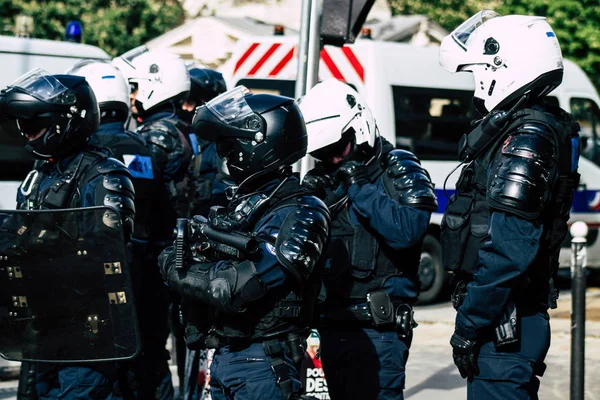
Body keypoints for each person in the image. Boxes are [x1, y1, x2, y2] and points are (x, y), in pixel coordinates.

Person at [438, 10, 581, 399]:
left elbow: (508, 252)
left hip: (505, 325)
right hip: (507, 321)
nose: (476, 85)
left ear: (503, 66)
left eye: (477, 72)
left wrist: (469, 325)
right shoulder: (535, 126)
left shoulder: (528, 136)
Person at [158, 86, 330, 400]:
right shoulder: (244, 206)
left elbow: (234, 287)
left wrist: (181, 273)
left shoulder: (302, 211)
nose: (223, 157)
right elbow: (187, 255)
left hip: (264, 363)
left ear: (259, 144)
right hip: (225, 356)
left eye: (227, 147)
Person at [0, 69, 136, 399]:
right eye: (22, 124)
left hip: (88, 332)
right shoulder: (41, 173)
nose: (26, 133)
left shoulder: (103, 174)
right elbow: (13, 231)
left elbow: (107, 252)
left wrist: (40, 247)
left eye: (34, 123)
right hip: (42, 325)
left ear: (67, 120)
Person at [298, 79, 438, 400]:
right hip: (333, 327)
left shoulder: (398, 168)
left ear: (358, 129)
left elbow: (408, 230)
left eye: (337, 149)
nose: (332, 160)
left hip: (379, 332)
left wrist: (358, 186)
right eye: (323, 153)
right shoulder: (326, 180)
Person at [67, 60, 166, 398]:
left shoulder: (84, 155)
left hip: (95, 280)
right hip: (142, 269)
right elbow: (159, 212)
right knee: (147, 361)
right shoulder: (143, 150)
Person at [175, 66, 228, 400]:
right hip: (187, 242)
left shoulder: (221, 141)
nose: (187, 108)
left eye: (194, 101)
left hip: (214, 249)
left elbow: (221, 191)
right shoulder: (184, 135)